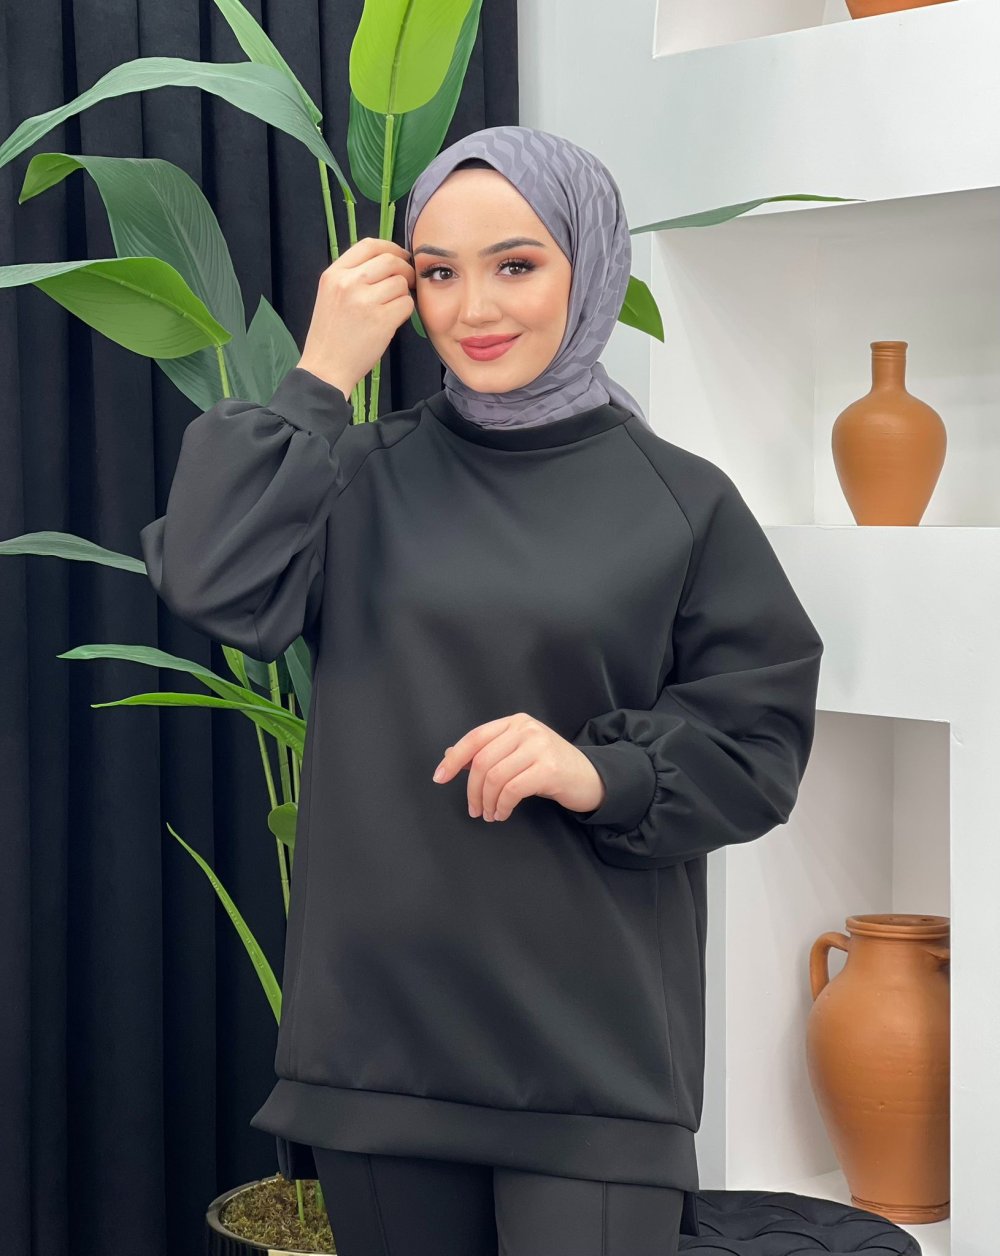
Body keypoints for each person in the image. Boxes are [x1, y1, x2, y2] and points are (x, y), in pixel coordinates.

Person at [139, 124, 824, 1255]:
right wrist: (318, 378)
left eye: (516, 264)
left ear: (587, 265)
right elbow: (211, 577)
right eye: (438, 272)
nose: (474, 309)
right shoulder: (358, 473)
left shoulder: (680, 501)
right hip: (382, 1043)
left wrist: (595, 769)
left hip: (592, 1057)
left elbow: (760, 744)